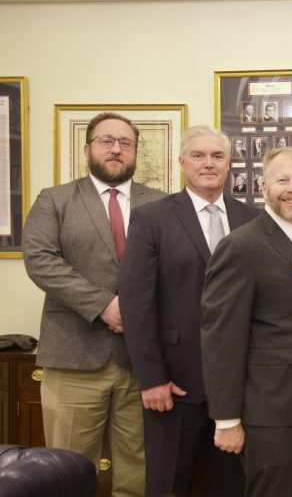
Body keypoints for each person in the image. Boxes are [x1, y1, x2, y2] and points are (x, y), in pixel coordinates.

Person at [22, 112, 166, 497]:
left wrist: (139, 315)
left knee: (140, 471)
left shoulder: (162, 204)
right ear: (87, 150)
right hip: (74, 356)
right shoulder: (55, 200)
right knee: (68, 470)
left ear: (135, 151)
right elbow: (41, 261)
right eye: (106, 141)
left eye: (125, 142)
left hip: (143, 363)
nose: (116, 149)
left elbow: (175, 272)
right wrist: (105, 306)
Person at [201, 147, 292, 496]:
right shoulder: (241, 246)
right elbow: (221, 338)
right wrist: (226, 419)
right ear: (264, 187)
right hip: (272, 415)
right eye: (282, 180)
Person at [119, 125, 256, 496]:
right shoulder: (152, 218)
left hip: (240, 388)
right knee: (168, 486)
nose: (208, 163)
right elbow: (136, 303)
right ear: (182, 163)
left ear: (228, 163)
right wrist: (152, 379)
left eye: (217, 156)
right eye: (198, 155)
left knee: (232, 488)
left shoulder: (251, 219)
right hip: (175, 386)